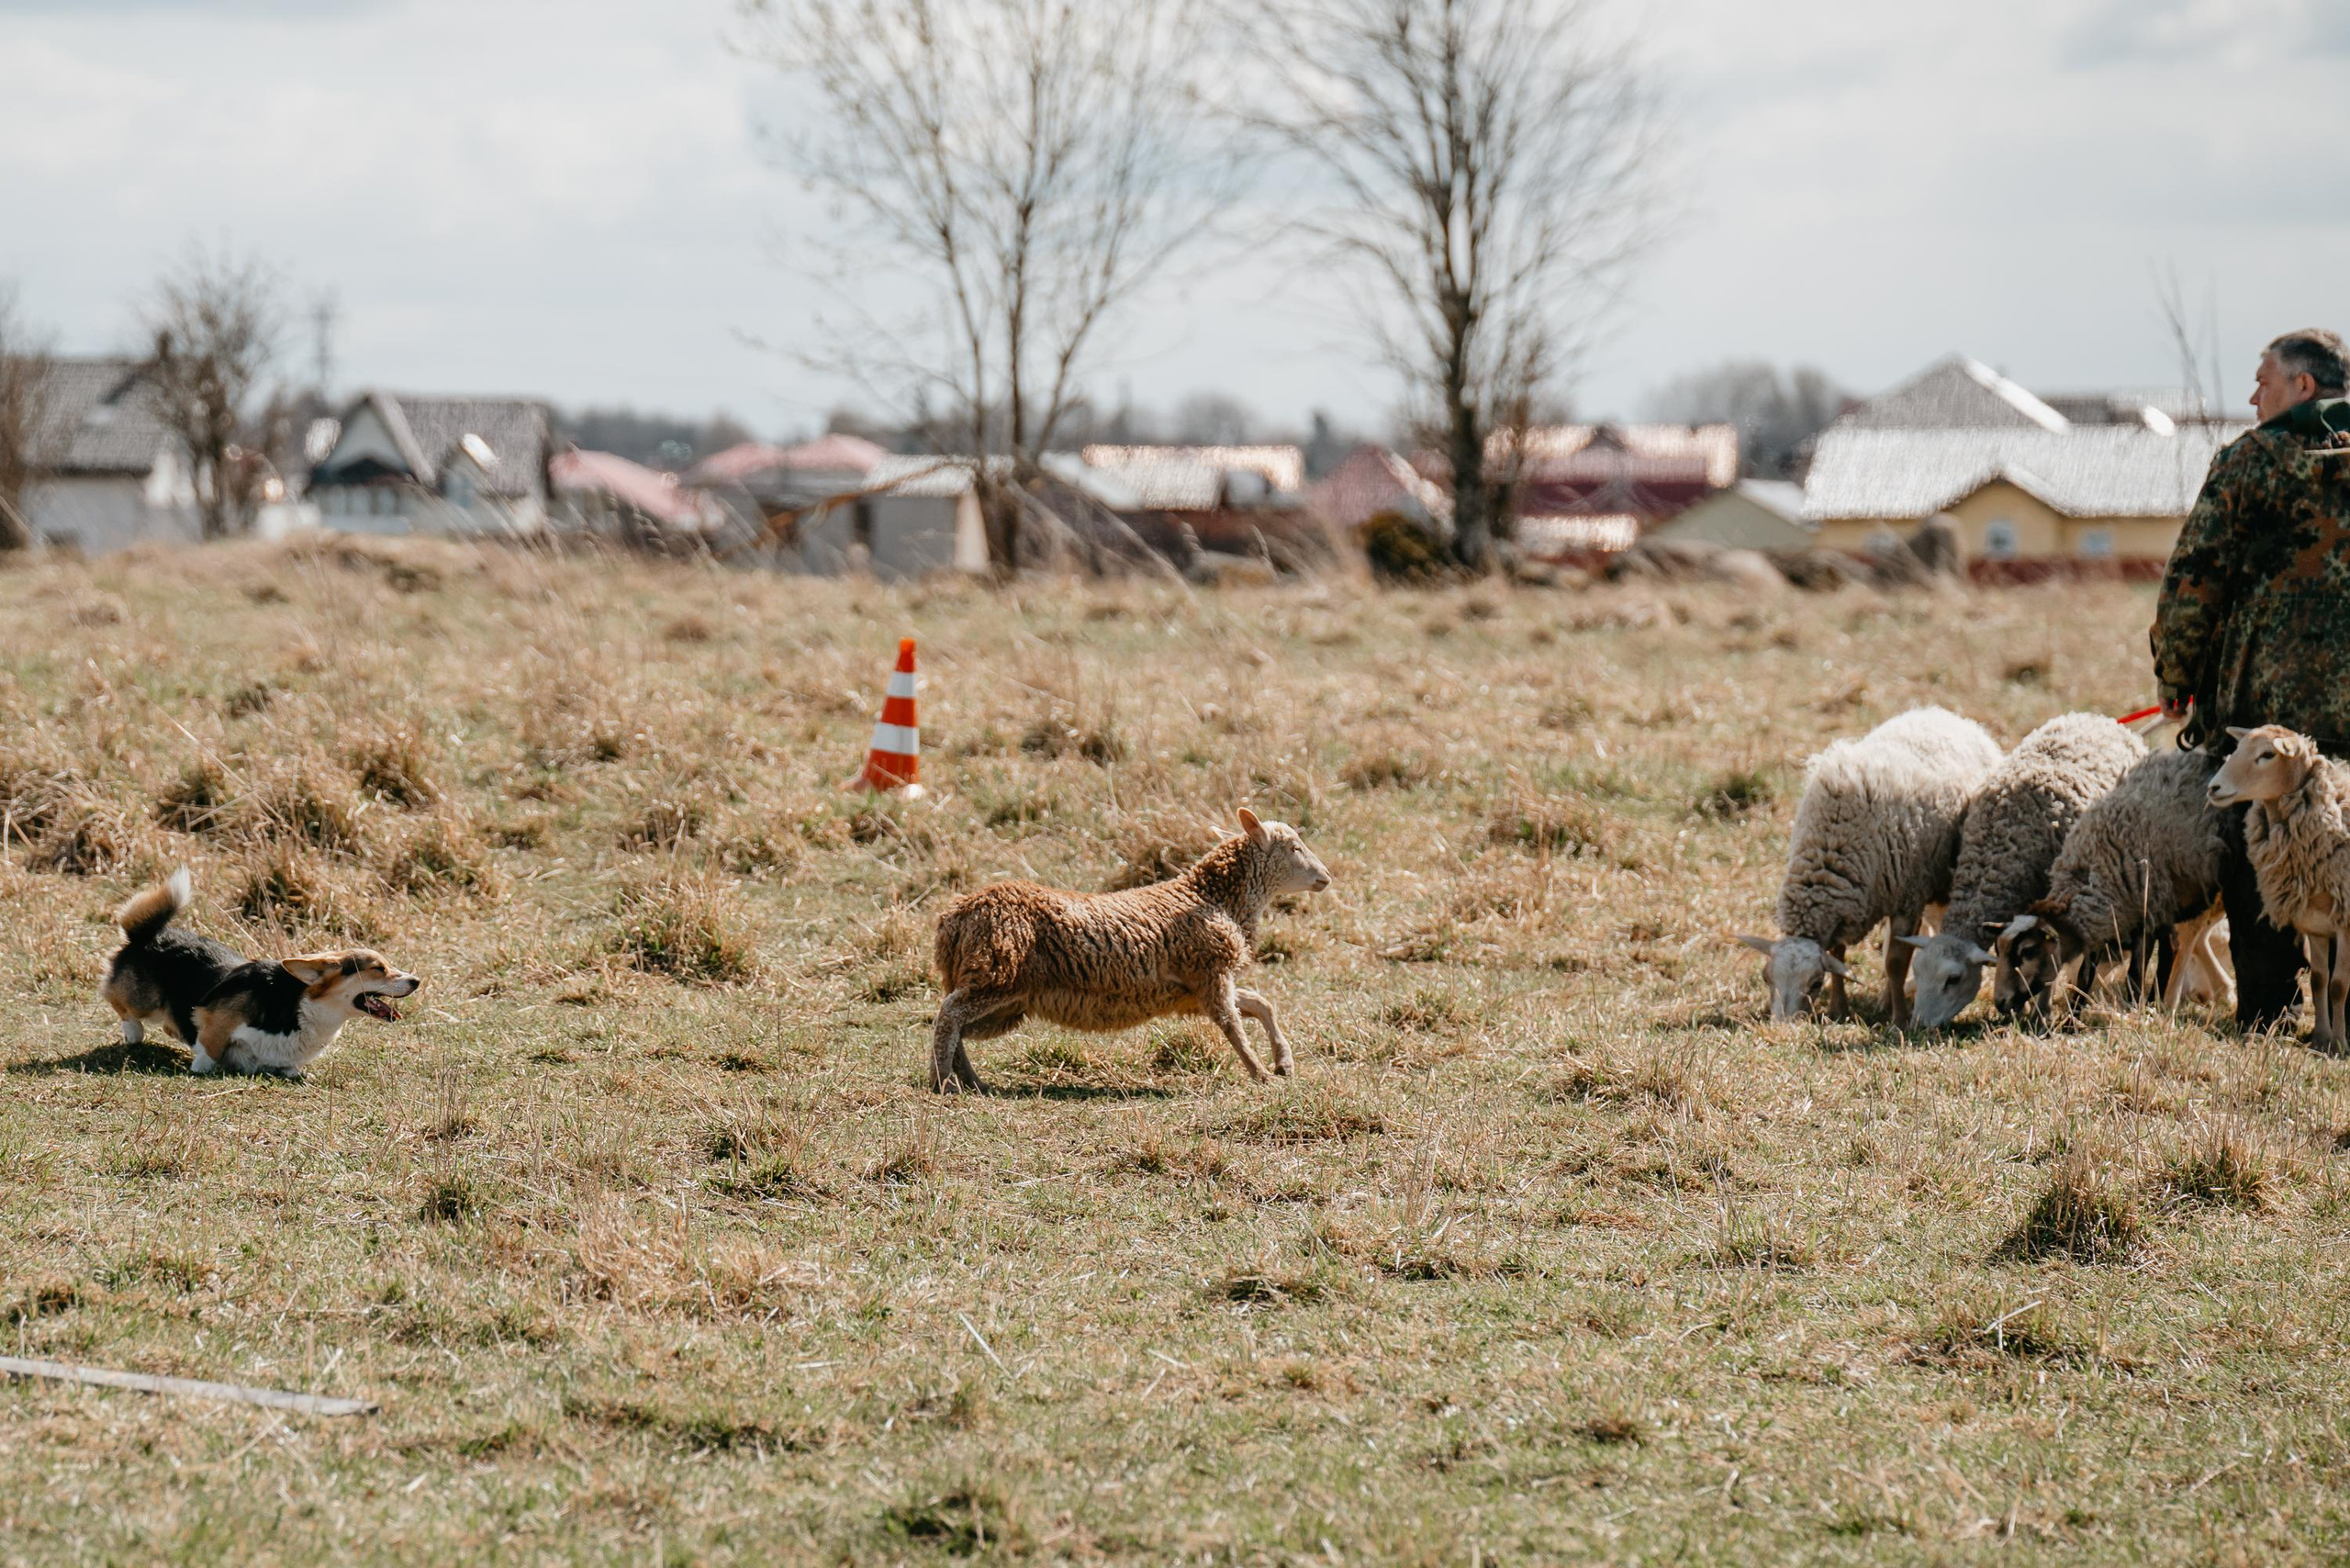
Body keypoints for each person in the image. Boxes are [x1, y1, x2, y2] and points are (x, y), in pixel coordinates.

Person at [2150, 328, 2350, 1035]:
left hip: (2262, 706)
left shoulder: (2251, 463)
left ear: (2303, 387)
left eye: (2263, 378)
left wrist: (2176, 675)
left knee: (2260, 847)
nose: (2251, 394)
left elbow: (2193, 582)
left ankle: (2266, 1011)